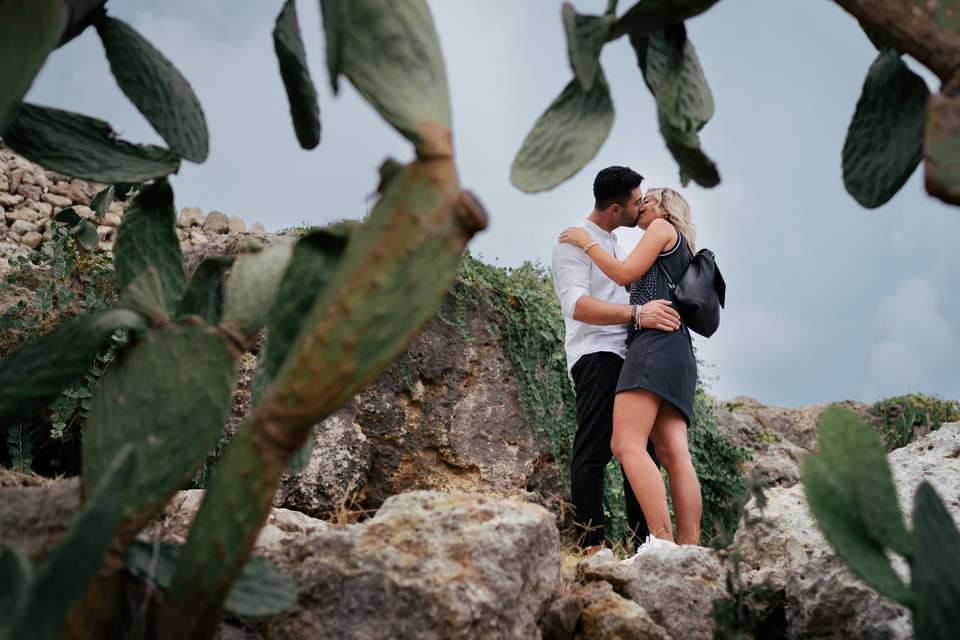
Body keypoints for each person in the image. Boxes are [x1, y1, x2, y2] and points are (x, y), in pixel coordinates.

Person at [559, 187, 703, 552]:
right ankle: (690, 548)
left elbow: (624, 275)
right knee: (674, 454)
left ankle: (661, 543)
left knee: (625, 444)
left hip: (652, 344)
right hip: (678, 349)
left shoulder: (660, 229)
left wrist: (586, 243)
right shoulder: (680, 244)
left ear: (666, 209)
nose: (642, 205)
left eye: (649, 199)